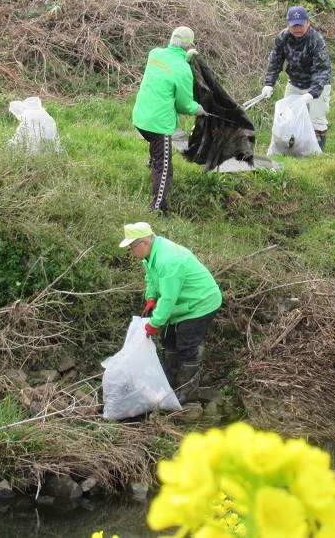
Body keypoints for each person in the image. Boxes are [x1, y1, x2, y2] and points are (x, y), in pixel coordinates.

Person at [119, 221, 222, 403]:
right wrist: (151, 297)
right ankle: (168, 381)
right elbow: (151, 277)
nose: (131, 252)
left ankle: (189, 392)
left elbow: (168, 299)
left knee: (186, 344)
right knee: (168, 340)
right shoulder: (151, 254)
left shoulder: (167, 259)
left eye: (132, 247)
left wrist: (155, 323)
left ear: (144, 243)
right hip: (182, 304)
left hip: (200, 302)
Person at [132, 27, 207, 214]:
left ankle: (150, 163)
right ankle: (158, 208)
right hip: (159, 125)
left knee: (155, 148)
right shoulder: (183, 70)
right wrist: (198, 109)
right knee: (164, 167)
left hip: (140, 118)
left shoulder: (154, 54)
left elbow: (169, 63)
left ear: (171, 39)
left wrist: (185, 57)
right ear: (189, 45)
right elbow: (183, 105)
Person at [259, 5, 332, 151]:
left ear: (308, 23)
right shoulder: (283, 37)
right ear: (288, 25)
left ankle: (317, 154)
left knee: (317, 119)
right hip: (294, 83)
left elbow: (322, 69)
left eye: (300, 25)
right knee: (286, 118)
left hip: (317, 85)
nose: (297, 28)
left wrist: (312, 93)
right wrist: (269, 84)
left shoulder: (316, 40)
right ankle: (291, 150)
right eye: (294, 25)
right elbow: (275, 61)